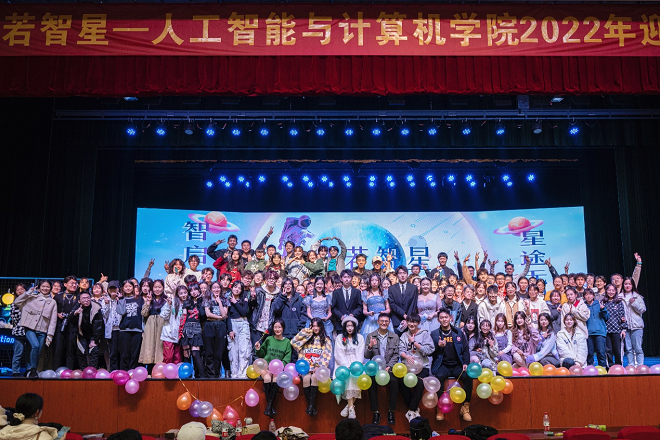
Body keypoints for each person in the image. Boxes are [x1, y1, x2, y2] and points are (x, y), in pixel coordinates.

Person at [430, 308, 473, 422]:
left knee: (468, 377)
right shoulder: (434, 334)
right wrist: (438, 346)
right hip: (442, 365)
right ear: (438, 320)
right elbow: (430, 352)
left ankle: (465, 408)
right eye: (441, 318)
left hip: (457, 365)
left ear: (450, 318)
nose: (444, 319)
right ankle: (440, 409)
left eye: (446, 317)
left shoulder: (458, 332)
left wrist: (466, 363)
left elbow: (466, 349)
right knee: (439, 377)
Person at [14, 281, 58, 377]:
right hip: (30, 327)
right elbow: (17, 302)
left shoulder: (52, 302)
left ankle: (32, 370)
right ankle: (33, 369)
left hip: (42, 330)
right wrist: (28, 292)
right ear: (39, 287)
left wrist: (50, 335)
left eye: (47, 287)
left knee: (38, 350)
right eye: (43, 286)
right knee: (35, 346)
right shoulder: (32, 297)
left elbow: (53, 320)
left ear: (50, 288)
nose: (45, 288)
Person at [290, 318, 333, 417]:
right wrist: (307, 332)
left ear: (321, 327)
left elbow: (327, 355)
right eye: (313, 326)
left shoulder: (326, 340)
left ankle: (311, 405)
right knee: (306, 378)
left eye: (317, 326)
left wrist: (318, 366)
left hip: (318, 367)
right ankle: (310, 405)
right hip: (306, 367)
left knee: (314, 377)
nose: (315, 328)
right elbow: (293, 342)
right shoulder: (306, 338)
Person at [364, 313, 400, 425]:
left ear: (389, 322)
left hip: (389, 368)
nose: (384, 323)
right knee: (370, 382)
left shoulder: (395, 337)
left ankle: (391, 411)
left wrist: (389, 366)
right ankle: (375, 412)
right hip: (375, 369)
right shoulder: (370, 336)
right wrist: (370, 346)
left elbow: (396, 354)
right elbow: (366, 356)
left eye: (386, 321)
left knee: (394, 382)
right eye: (382, 321)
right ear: (378, 322)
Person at [398, 313, 434, 423]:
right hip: (408, 367)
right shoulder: (404, 335)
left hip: (423, 366)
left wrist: (414, 343)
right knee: (401, 380)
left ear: (418, 323)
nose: (412, 324)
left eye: (414, 322)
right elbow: (401, 350)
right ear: (407, 322)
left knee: (420, 382)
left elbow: (429, 350)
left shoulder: (425, 334)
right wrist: (407, 357)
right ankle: (413, 410)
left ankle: (411, 410)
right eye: (410, 322)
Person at [255, 319, 292, 417]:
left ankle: (269, 406)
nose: (277, 329)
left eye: (279, 327)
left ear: (283, 328)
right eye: (275, 327)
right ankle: (270, 406)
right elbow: (261, 354)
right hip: (266, 368)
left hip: (278, 370)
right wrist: (258, 348)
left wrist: (278, 368)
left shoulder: (287, 342)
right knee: (267, 378)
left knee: (275, 379)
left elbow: (287, 359)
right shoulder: (268, 339)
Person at [333, 316, 365, 419]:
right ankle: (351, 409)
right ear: (345, 327)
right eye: (348, 326)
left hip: (356, 364)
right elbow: (338, 353)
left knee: (360, 377)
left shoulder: (360, 337)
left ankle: (348, 407)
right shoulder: (339, 337)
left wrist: (356, 366)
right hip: (343, 364)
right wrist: (346, 364)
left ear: (355, 327)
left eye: (352, 326)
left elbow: (360, 353)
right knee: (348, 377)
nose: (350, 328)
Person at [115, 280, 145, 370]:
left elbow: (143, 314)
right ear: (123, 288)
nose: (128, 288)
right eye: (126, 286)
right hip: (124, 330)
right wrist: (120, 300)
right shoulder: (121, 299)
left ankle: (132, 372)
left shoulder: (139, 299)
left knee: (135, 354)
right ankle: (124, 372)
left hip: (137, 330)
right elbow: (121, 312)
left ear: (133, 288)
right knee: (124, 354)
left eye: (130, 286)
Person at [202, 281, 229, 378]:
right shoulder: (207, 299)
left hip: (221, 327)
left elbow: (225, 314)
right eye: (214, 287)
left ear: (221, 289)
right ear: (211, 289)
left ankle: (217, 374)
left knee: (219, 352)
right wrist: (220, 317)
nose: (216, 289)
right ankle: (210, 375)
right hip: (209, 325)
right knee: (209, 351)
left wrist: (219, 302)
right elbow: (208, 314)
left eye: (218, 287)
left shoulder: (225, 300)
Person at [53, 275, 80, 370]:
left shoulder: (79, 296)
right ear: (65, 284)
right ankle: (56, 371)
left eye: (75, 283)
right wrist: (57, 314)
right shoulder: (58, 297)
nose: (74, 285)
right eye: (71, 283)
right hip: (60, 326)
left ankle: (70, 372)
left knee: (71, 351)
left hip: (73, 327)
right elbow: (51, 310)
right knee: (58, 350)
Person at [139, 279, 167, 368]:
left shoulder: (166, 299)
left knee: (160, 348)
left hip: (162, 326)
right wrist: (148, 302)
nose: (157, 289)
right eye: (155, 287)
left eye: (159, 287)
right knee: (149, 348)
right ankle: (149, 371)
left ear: (163, 288)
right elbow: (143, 313)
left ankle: (159, 370)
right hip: (150, 327)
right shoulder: (149, 298)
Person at [250, 270, 281, 348]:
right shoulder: (259, 290)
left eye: (273, 279)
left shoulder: (279, 293)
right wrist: (252, 298)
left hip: (270, 325)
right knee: (256, 349)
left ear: (276, 280)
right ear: (266, 279)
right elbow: (252, 306)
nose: (271, 280)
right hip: (257, 325)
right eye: (269, 278)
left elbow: (279, 310)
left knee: (267, 349)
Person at [227, 281, 251, 378]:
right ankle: (234, 374)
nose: (237, 289)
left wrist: (235, 302)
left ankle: (243, 375)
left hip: (243, 324)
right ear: (232, 288)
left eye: (239, 288)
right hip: (233, 324)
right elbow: (227, 316)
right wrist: (230, 330)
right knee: (233, 351)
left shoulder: (244, 299)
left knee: (244, 351)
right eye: (235, 287)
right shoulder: (227, 300)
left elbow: (244, 312)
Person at [74, 291, 103, 369]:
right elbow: (71, 319)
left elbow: (98, 326)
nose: (86, 300)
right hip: (82, 333)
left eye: (88, 298)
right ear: (79, 300)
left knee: (94, 350)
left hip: (93, 333)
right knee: (81, 352)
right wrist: (75, 313)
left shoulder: (96, 308)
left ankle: (92, 371)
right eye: (84, 298)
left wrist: (94, 340)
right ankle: (83, 370)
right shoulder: (77, 306)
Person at [271, 277, 305, 342]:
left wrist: (300, 326)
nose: (288, 285)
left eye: (290, 284)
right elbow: (276, 309)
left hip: (296, 333)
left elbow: (303, 313)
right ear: (283, 286)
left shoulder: (299, 298)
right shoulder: (278, 297)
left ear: (292, 286)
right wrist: (282, 297)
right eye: (285, 284)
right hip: (282, 333)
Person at [621, 277, 646, 367]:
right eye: (626, 284)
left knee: (638, 348)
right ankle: (631, 365)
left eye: (629, 284)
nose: (627, 286)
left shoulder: (637, 297)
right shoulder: (619, 297)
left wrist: (634, 303)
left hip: (637, 326)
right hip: (625, 327)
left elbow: (642, 309)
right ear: (623, 285)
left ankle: (640, 366)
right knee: (628, 349)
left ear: (632, 285)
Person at [160, 285, 188, 364]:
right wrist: (169, 305)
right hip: (169, 335)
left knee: (178, 359)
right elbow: (163, 315)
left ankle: (176, 373)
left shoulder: (188, 304)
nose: (183, 295)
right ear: (177, 294)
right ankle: (166, 372)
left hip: (179, 336)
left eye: (185, 292)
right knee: (168, 357)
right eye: (181, 293)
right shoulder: (172, 302)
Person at [360, 273, 392, 337]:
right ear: (369, 282)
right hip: (371, 320)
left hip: (383, 319)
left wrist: (384, 312)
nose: (374, 282)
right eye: (372, 280)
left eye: (376, 280)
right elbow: (364, 311)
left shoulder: (384, 292)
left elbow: (388, 309)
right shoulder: (365, 293)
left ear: (379, 282)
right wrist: (368, 313)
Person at [389, 266, 418, 335]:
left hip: (410, 321)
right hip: (396, 321)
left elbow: (413, 304)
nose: (402, 275)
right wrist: (403, 314)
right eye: (400, 273)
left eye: (404, 273)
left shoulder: (414, 288)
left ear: (407, 274)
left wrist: (408, 318)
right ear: (397, 275)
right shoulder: (391, 288)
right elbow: (392, 304)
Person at [603, 283, 627, 367]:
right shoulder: (603, 302)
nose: (611, 292)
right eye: (609, 290)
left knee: (617, 350)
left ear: (615, 292)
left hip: (617, 330)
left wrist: (624, 329)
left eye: (613, 290)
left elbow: (623, 316)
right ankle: (609, 366)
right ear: (606, 291)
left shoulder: (619, 302)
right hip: (606, 330)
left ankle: (618, 366)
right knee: (608, 350)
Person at [331, 270, 362, 334]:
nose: (347, 279)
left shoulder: (357, 292)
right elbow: (333, 308)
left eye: (349, 277)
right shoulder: (336, 292)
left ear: (351, 278)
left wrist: (353, 314)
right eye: (345, 277)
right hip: (340, 324)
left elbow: (359, 307)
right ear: (341, 279)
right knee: (341, 340)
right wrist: (340, 316)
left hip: (353, 323)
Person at [583, 289, 608, 367]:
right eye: (586, 294)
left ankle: (603, 369)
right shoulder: (583, 306)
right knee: (589, 353)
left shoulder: (599, 304)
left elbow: (607, 317)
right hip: (588, 333)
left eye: (590, 294)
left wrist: (603, 309)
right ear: (584, 296)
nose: (588, 296)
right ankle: (590, 369)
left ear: (593, 295)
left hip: (600, 332)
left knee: (601, 352)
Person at [101, 280, 121, 371]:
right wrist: (106, 304)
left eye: (115, 288)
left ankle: (122, 370)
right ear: (108, 290)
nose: (113, 290)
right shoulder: (105, 300)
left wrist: (120, 302)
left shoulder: (121, 299)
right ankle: (113, 371)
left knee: (121, 351)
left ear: (118, 289)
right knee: (112, 352)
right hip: (111, 330)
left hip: (121, 329)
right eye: (111, 288)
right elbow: (104, 315)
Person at [10, 284, 27, 377]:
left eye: (22, 289)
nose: (20, 291)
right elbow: (14, 318)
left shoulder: (30, 301)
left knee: (30, 353)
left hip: (30, 331)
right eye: (18, 290)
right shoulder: (15, 303)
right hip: (19, 331)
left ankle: (29, 370)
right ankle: (15, 371)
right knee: (18, 352)